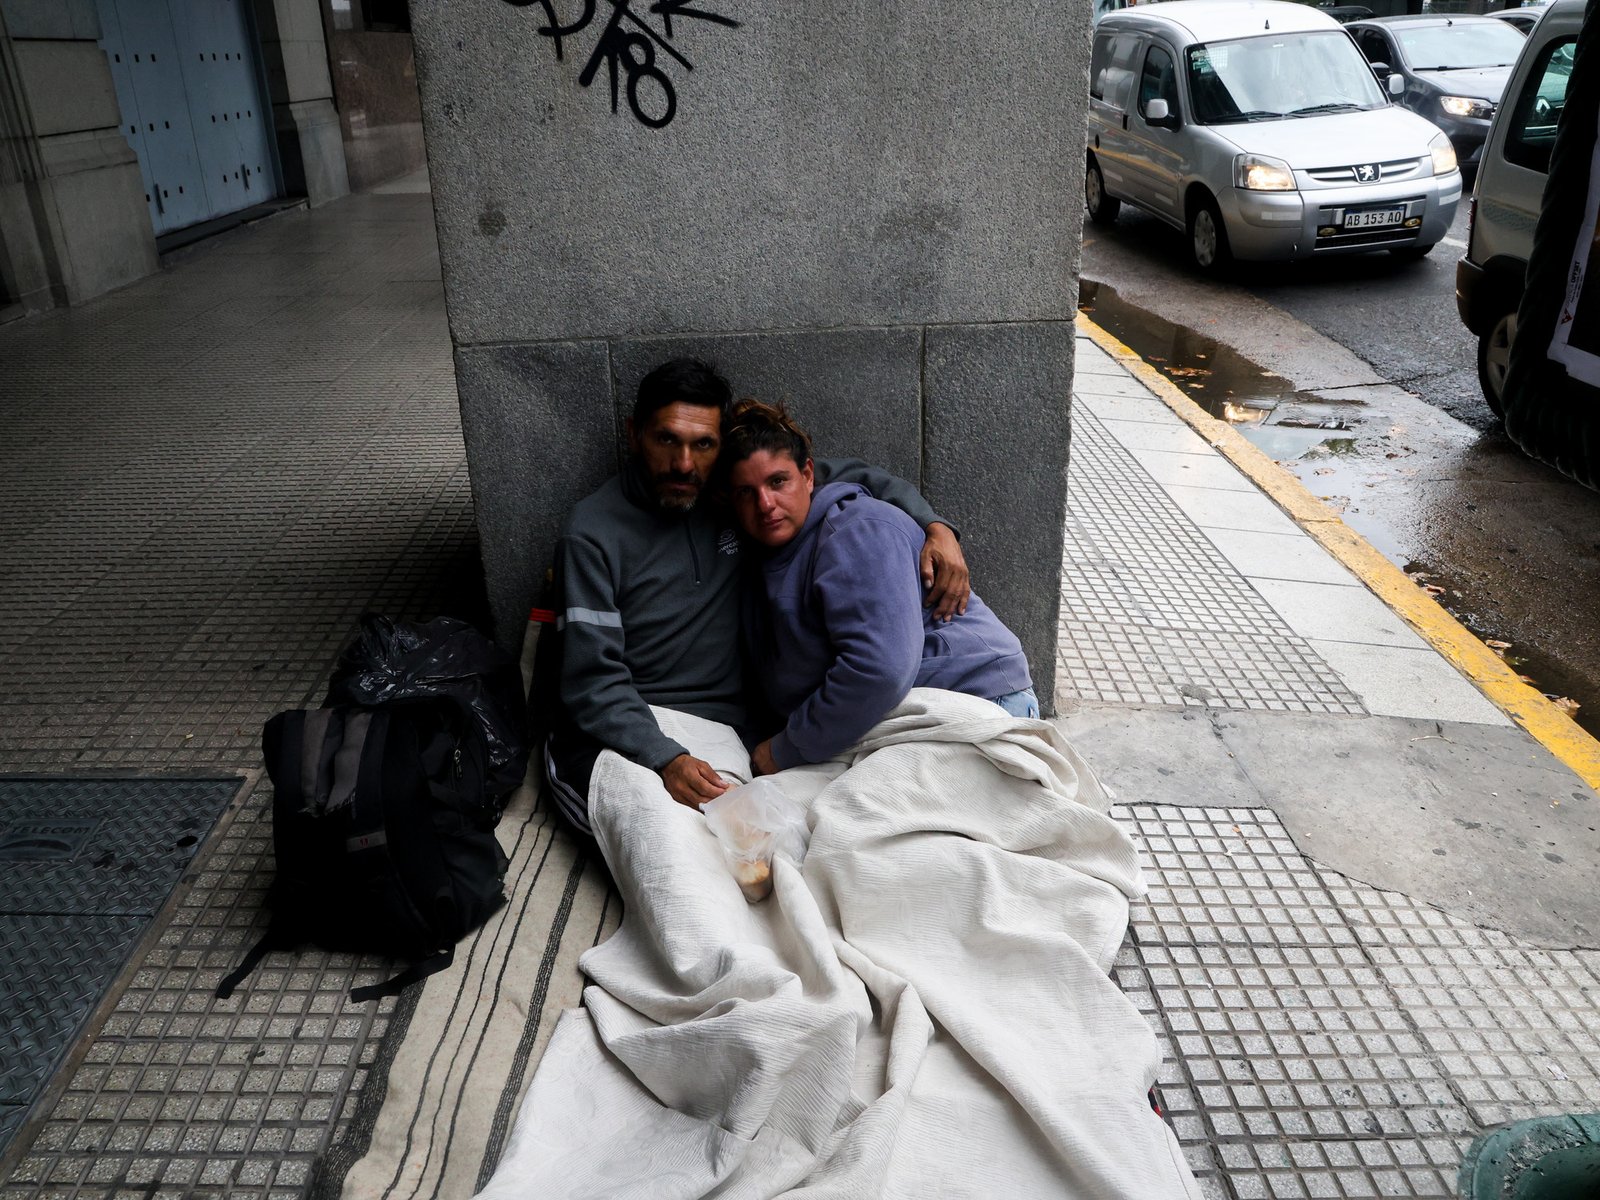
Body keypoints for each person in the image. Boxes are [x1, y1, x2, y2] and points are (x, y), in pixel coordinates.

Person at [543, 359, 971, 834]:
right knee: (662, 836)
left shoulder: (736, 495)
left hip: (736, 731)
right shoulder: (592, 533)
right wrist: (665, 758)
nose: (683, 463)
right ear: (634, 434)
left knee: (787, 840)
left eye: (703, 444)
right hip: (641, 724)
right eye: (666, 440)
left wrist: (936, 526)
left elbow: (850, 476)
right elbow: (590, 678)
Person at [722, 400, 1036, 776]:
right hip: (886, 715)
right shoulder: (762, 555)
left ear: (807, 476)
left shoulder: (857, 531)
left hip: (977, 700)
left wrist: (786, 748)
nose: (765, 504)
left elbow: (879, 670)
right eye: (746, 492)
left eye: (778, 482)